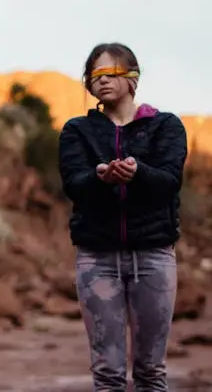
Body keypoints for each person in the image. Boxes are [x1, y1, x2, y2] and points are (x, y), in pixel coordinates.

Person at [59, 43, 187, 392]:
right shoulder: (77, 130)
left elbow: (170, 181)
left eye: (111, 73)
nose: (102, 81)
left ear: (133, 79)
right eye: (95, 75)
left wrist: (137, 172)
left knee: (150, 371)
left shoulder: (165, 126)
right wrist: (101, 177)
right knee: (108, 373)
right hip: (96, 258)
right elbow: (74, 184)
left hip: (153, 256)